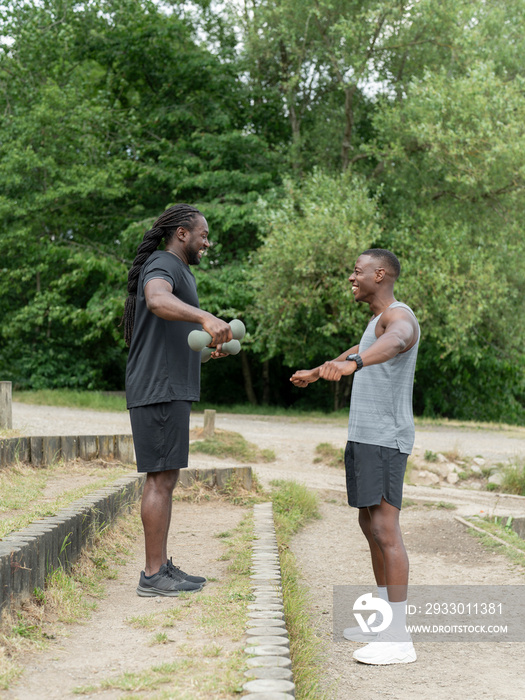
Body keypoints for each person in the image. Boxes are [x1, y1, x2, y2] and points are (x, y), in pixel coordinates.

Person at [290, 248, 420, 665]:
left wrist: (357, 363)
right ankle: (385, 621)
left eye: (357, 271)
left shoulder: (401, 317)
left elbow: (396, 341)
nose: (351, 277)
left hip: (384, 438)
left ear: (379, 274)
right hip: (366, 437)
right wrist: (322, 368)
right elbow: (362, 346)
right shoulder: (375, 323)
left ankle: (399, 639)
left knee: (386, 529)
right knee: (369, 524)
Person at [123, 203, 232, 597]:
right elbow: (155, 299)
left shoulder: (179, 268)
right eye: (203, 235)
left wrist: (204, 350)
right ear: (182, 233)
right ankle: (153, 575)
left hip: (168, 385)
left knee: (166, 478)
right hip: (159, 387)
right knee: (159, 479)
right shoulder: (163, 262)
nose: (207, 242)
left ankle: (161, 566)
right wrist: (204, 317)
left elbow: (167, 334)